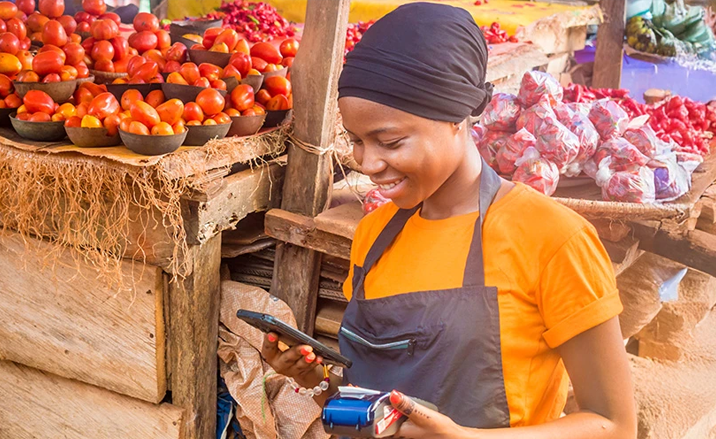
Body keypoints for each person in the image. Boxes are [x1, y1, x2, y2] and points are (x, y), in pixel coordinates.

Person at [261, 3, 636, 439]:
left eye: (390, 141)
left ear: (457, 117)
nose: (368, 163)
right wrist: (320, 383)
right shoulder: (374, 233)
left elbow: (614, 424)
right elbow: (378, 404)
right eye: (356, 141)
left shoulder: (552, 239)